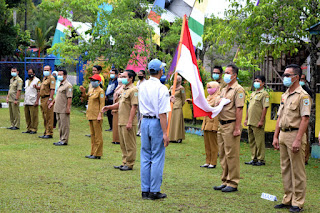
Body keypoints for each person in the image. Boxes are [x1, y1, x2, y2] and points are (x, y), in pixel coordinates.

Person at [273, 64, 311, 213]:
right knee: (285, 169)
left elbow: (305, 119)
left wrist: (298, 139)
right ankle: (287, 199)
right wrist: (275, 136)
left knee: (297, 170)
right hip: (283, 134)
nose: (285, 77)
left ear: (296, 77)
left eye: (288, 75)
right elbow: (280, 117)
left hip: (295, 134)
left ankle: (298, 202)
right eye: (285, 74)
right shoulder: (285, 94)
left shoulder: (303, 96)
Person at [139, 59, 171, 200]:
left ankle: (145, 190)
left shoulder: (142, 85)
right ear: (160, 71)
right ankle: (154, 190)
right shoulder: (161, 88)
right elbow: (162, 113)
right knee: (157, 157)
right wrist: (165, 133)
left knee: (145, 156)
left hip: (144, 121)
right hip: (156, 123)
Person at [213, 64, 245, 193]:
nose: (225, 75)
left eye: (227, 72)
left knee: (231, 154)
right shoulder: (224, 89)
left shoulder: (238, 90)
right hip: (222, 124)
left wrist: (237, 128)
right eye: (225, 72)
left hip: (231, 124)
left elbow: (239, 109)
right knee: (223, 153)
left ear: (234, 75)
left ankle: (233, 182)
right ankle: (225, 180)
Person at [101, 70, 138, 171]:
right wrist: (109, 107)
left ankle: (130, 164)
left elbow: (134, 107)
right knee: (123, 143)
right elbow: (120, 104)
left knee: (129, 144)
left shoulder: (133, 90)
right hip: (121, 120)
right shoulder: (124, 89)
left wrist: (130, 121)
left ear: (130, 78)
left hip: (128, 121)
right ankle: (124, 162)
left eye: (124, 76)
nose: (121, 78)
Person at [244, 75, 269, 166]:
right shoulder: (253, 93)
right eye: (255, 81)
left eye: (258, 81)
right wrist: (246, 119)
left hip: (257, 121)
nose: (256, 83)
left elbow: (265, 108)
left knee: (259, 141)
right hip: (250, 121)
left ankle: (261, 159)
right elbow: (249, 107)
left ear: (263, 83)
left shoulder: (264, 94)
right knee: (252, 141)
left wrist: (261, 121)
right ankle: (253, 158)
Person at [80, 74, 105, 159]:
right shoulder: (92, 90)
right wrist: (83, 92)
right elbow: (87, 98)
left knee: (98, 136)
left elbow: (102, 104)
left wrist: (100, 114)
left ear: (99, 82)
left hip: (96, 116)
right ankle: (93, 152)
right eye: (92, 80)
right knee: (92, 135)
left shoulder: (101, 91)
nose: (92, 82)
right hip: (90, 115)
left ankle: (98, 153)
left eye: (94, 80)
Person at [49, 70, 73, 146]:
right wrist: (52, 103)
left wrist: (68, 108)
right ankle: (61, 139)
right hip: (58, 108)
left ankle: (64, 140)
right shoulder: (60, 84)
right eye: (58, 74)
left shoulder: (68, 85)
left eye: (60, 74)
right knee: (60, 125)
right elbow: (58, 96)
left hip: (63, 108)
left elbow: (69, 97)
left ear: (65, 76)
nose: (59, 76)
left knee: (64, 125)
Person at [200, 81, 220, 169]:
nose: (209, 90)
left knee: (213, 144)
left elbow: (215, 111)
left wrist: (216, 126)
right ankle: (207, 161)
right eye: (208, 88)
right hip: (206, 122)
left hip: (213, 123)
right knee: (207, 144)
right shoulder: (208, 97)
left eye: (211, 87)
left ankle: (213, 162)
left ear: (216, 88)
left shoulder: (218, 98)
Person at [38, 65, 56, 139]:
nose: (45, 71)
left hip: (47, 98)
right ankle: (46, 131)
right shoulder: (44, 78)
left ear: (50, 71)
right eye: (44, 70)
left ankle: (49, 132)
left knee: (49, 116)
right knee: (44, 116)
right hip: (42, 99)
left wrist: (50, 99)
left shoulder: (51, 78)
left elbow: (52, 89)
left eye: (47, 70)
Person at [169, 75, 186, 143]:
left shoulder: (182, 89)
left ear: (180, 81)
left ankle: (178, 137)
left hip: (178, 106)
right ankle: (171, 137)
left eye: (177, 80)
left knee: (177, 122)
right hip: (171, 106)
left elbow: (183, 99)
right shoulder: (171, 87)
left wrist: (180, 105)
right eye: (174, 79)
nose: (175, 81)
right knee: (171, 122)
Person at [22, 68, 40, 134]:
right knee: (27, 116)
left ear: (34, 73)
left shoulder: (37, 81)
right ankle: (28, 128)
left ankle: (34, 129)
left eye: (31, 73)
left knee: (34, 116)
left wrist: (37, 101)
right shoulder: (27, 81)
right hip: (27, 101)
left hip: (33, 101)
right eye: (29, 73)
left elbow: (39, 91)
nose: (30, 74)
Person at [299, 74, 312, 165]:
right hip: (295, 119)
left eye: (302, 79)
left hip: (304, 118)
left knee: (305, 138)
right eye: (300, 79)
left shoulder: (307, 92)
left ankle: (305, 158)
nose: (301, 81)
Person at [110, 73, 124, 145]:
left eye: (122, 77)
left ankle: (118, 139)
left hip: (119, 108)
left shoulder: (124, 87)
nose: (120, 78)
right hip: (115, 107)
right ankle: (115, 138)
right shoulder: (118, 86)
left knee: (119, 124)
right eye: (120, 76)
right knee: (115, 125)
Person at [136, 70, 147, 136]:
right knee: (138, 116)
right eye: (138, 74)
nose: (139, 75)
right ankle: (139, 130)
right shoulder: (138, 82)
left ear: (144, 75)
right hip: (138, 101)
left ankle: (142, 131)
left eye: (141, 74)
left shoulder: (146, 83)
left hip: (143, 102)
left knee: (142, 117)